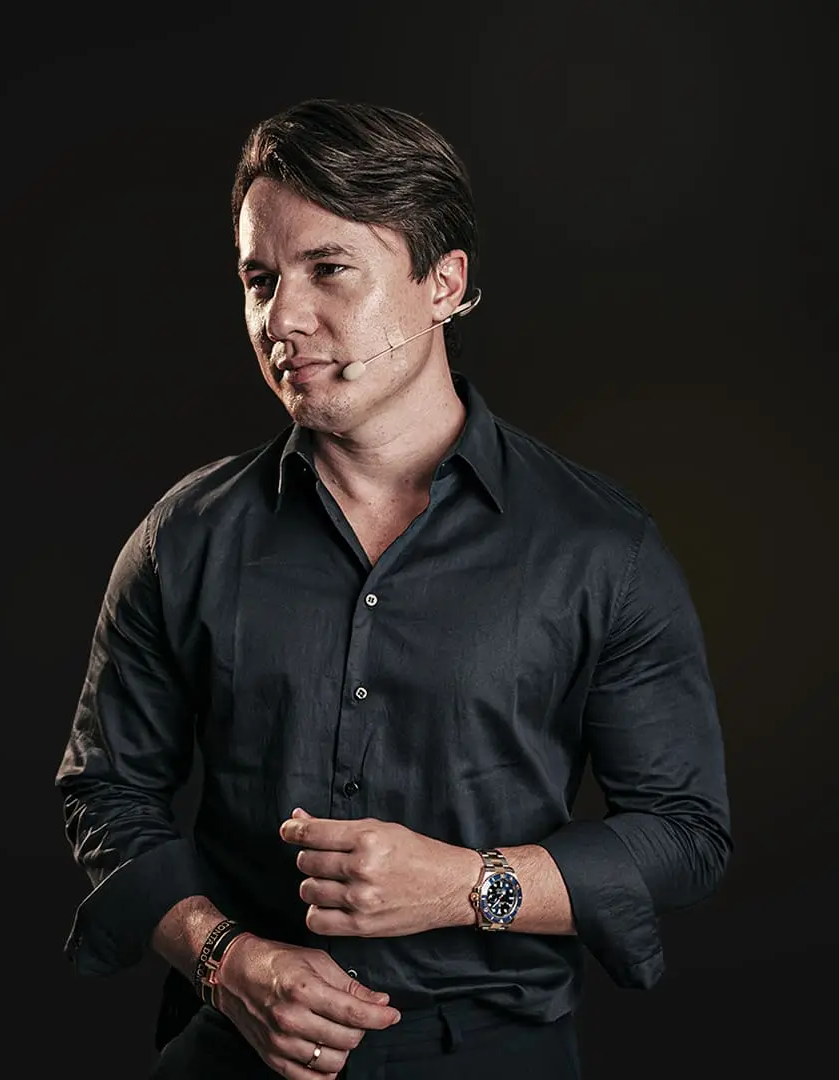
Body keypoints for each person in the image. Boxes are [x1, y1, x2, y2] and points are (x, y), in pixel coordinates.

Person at [54, 99, 731, 1080]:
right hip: (234, 1053)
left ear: (442, 283)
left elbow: (685, 834)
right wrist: (223, 957)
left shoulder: (599, 547)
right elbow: (108, 790)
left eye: (329, 268)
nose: (282, 318)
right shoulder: (185, 537)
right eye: (259, 279)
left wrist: (469, 886)